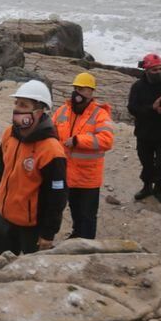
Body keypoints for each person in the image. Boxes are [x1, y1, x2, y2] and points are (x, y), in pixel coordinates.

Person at [0, 80, 68, 254]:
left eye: (23, 105)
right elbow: (2, 167)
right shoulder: (9, 134)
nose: (16, 109)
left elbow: (58, 197)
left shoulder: (51, 151)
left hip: (31, 227)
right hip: (4, 217)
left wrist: (48, 233)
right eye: (16, 103)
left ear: (39, 111)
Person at [52, 72, 114, 239]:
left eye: (82, 89)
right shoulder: (63, 110)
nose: (77, 92)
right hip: (67, 174)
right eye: (76, 88)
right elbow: (51, 132)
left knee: (87, 215)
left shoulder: (100, 114)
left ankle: (86, 245)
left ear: (91, 92)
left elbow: (106, 140)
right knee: (75, 210)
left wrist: (79, 140)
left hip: (88, 178)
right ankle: (76, 235)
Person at [127, 53, 161, 204]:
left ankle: (159, 188)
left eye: (159, 69)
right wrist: (152, 108)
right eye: (154, 70)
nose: (157, 72)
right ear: (146, 70)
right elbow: (132, 108)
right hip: (144, 133)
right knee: (146, 162)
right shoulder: (137, 87)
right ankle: (146, 186)